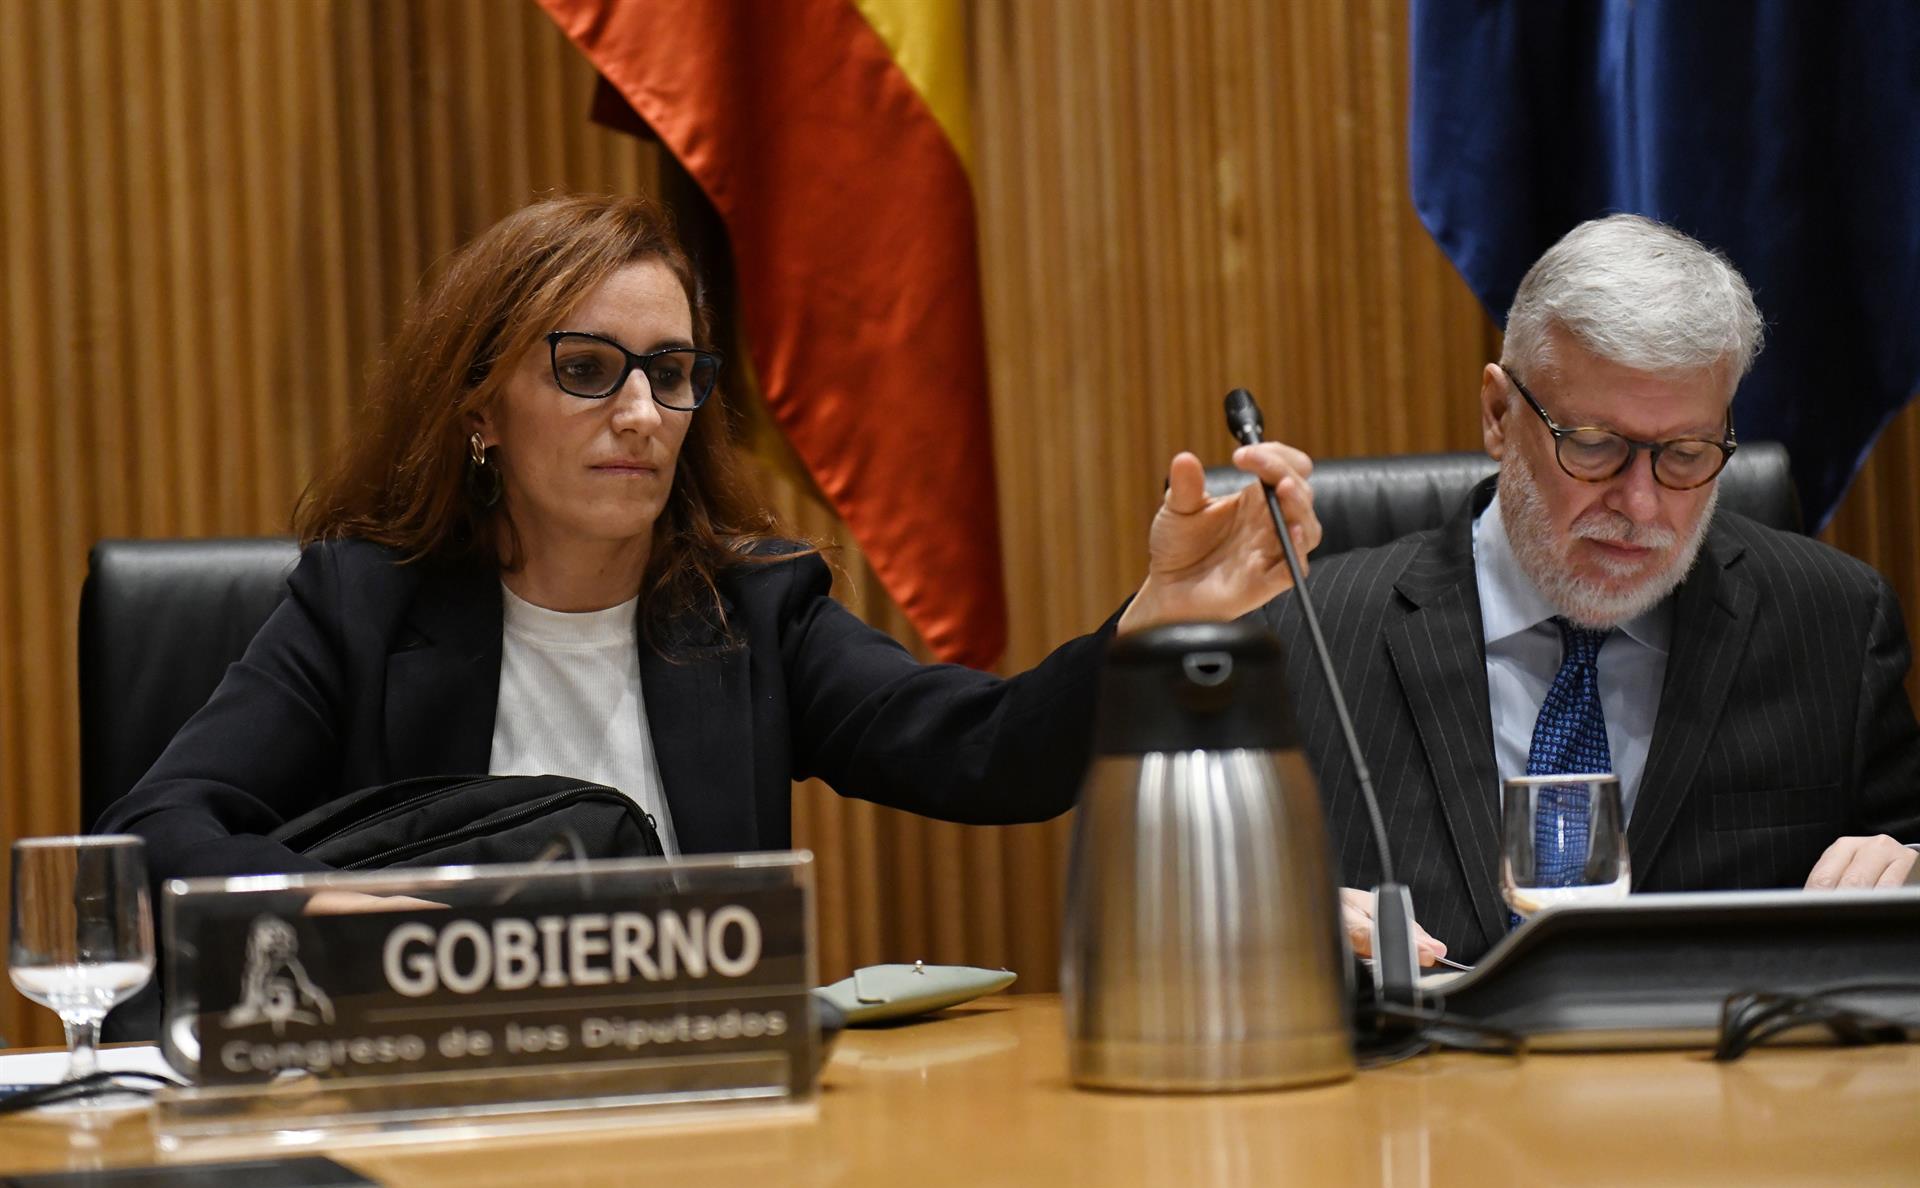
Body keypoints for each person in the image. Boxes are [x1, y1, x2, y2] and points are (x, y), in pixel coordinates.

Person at [98, 193, 1320, 903]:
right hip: (437, 1118)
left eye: (672, 374)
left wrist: (1157, 617)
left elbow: (988, 754)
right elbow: (156, 826)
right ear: (478, 409)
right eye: (586, 369)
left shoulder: (750, 607)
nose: (640, 413)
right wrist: (325, 902)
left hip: (706, 1122)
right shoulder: (363, 604)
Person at [1256, 214, 1920, 966]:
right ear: (1500, 414)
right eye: (1596, 447)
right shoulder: (1303, 636)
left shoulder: (1835, 623)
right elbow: (1187, 920)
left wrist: (1907, 869)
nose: (1640, 506)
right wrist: (1273, 916)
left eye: (1685, 454)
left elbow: (1906, 848)